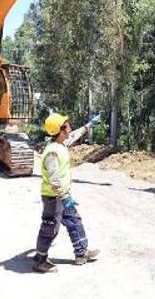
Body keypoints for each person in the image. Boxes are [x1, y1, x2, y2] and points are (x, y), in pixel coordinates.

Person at [32, 112, 102, 273]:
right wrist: (64, 196)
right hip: (53, 196)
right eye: (67, 126)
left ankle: (81, 252)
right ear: (60, 130)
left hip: (63, 194)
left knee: (74, 221)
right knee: (50, 227)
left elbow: (75, 135)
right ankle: (39, 260)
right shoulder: (52, 152)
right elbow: (53, 177)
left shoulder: (61, 144)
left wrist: (88, 125)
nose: (70, 128)